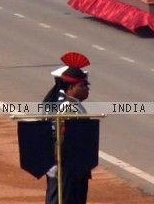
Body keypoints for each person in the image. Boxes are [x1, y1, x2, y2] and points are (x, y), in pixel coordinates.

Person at [40, 54, 93, 204]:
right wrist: (56, 163)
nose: (86, 89)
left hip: (75, 166)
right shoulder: (67, 108)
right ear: (70, 88)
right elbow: (59, 137)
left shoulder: (75, 106)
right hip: (66, 166)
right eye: (83, 85)